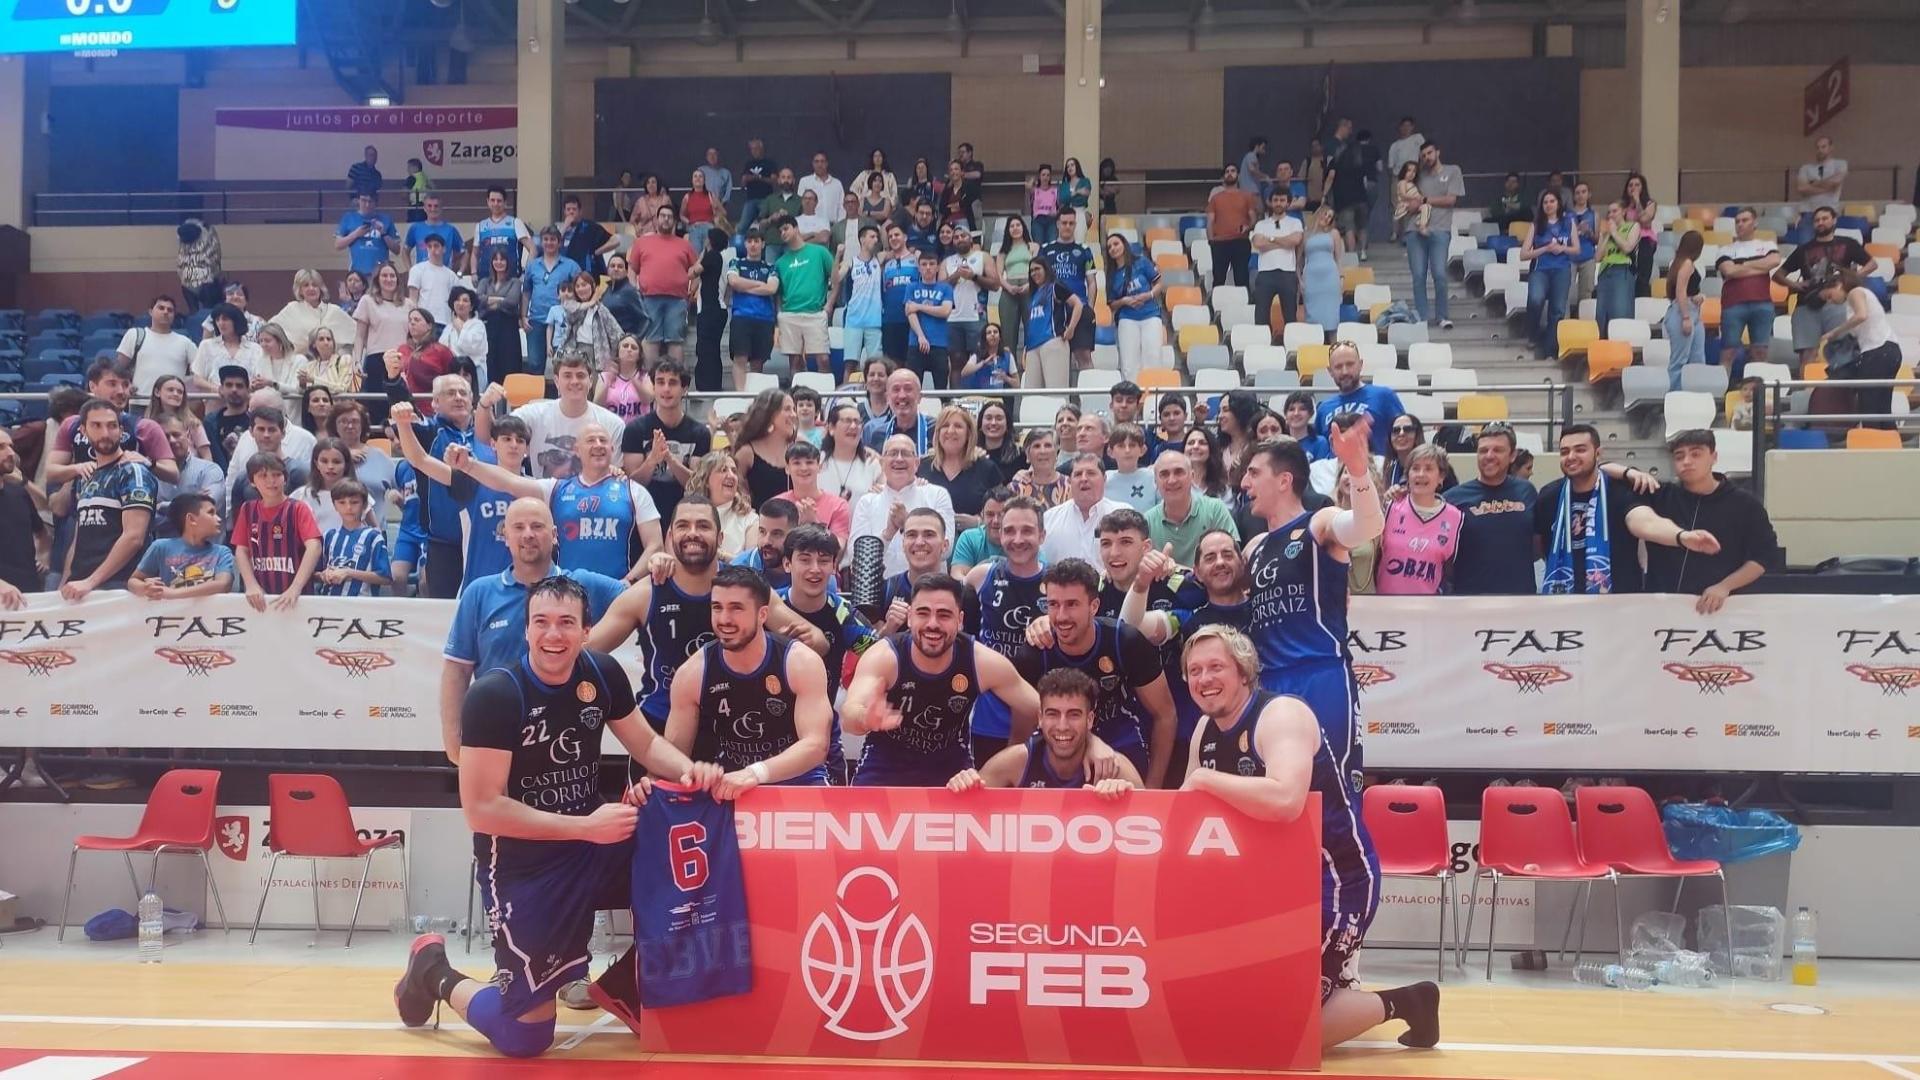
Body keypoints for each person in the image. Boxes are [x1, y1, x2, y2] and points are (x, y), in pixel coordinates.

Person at [392, 576, 723, 1059]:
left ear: (587, 630)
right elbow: (482, 810)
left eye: (567, 623)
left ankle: (624, 986)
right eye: (542, 623)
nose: (554, 634)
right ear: (525, 631)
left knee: (692, 860)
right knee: (525, 1038)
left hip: (592, 845)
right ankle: (433, 971)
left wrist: (693, 771)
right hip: (524, 863)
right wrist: (586, 827)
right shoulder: (494, 695)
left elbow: (647, 744)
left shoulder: (602, 673)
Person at [1178, 625, 1438, 1051]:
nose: (1204, 679)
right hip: (1268, 885)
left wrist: (1206, 778)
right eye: (1194, 671)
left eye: (1215, 667)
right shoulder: (1206, 730)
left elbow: (1285, 800)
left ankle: (1409, 1002)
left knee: (1284, 1034)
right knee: (1232, 1010)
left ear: (1243, 671)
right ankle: (1336, 984)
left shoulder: (1281, 714)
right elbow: (1185, 814)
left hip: (1336, 882)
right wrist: (1117, 793)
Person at [1237, 422, 1382, 774]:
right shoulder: (1253, 547)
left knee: (1334, 789)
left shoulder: (1320, 523)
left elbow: (1367, 527)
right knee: (1275, 795)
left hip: (1319, 673)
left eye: (1254, 474)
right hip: (1267, 683)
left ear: (1284, 480)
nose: (1244, 484)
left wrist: (1358, 469)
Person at [844, 574, 1039, 787]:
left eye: (944, 615)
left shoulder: (981, 661)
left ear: (960, 620)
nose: (932, 624)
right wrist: (866, 719)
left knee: (970, 802)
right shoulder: (885, 656)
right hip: (883, 766)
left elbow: (1039, 709)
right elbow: (850, 715)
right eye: (923, 613)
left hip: (952, 772)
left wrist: (1078, 740)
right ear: (910, 617)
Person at [661, 563, 832, 786]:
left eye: (736, 608)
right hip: (730, 781)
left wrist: (755, 773)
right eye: (717, 607)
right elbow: (672, 757)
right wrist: (691, 771)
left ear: (762, 614)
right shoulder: (691, 673)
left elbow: (816, 746)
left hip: (800, 780)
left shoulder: (800, 662)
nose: (724, 619)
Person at [453, 418, 661, 582]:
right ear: (576, 450)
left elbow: (655, 545)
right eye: (590, 440)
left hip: (616, 595)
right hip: (565, 596)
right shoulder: (556, 489)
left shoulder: (634, 491)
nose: (598, 445)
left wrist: (628, 582)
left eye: (603, 440)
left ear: (612, 449)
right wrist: (469, 466)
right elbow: (509, 482)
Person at [1534, 423, 1715, 596]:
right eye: (1564, 452)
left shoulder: (1619, 488)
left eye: (1580, 449)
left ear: (1598, 453)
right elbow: (1540, 546)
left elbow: (1644, 522)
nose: (1571, 456)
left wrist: (1681, 537)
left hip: (1620, 602)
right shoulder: (1549, 495)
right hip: (1562, 602)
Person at [392, 401, 528, 590]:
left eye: (520, 440)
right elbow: (420, 460)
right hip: (477, 588)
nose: (514, 445)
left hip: (523, 589)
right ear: (493, 444)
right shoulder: (472, 479)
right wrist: (403, 425)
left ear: (527, 450)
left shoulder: (535, 489)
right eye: (506, 439)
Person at [1642, 430, 1776, 612]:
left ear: (1714, 457)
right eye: (1679, 457)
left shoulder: (1745, 504)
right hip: (1662, 609)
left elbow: (1763, 557)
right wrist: (1630, 473)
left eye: (1696, 454)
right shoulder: (1660, 496)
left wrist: (1725, 586)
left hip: (1720, 611)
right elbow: (1603, 471)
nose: (1687, 462)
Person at [949, 668, 1140, 794]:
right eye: (1053, 714)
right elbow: (964, 814)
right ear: (1040, 718)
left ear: (1089, 720)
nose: (1062, 725)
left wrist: (1125, 799)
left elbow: (1155, 821)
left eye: (1073, 714)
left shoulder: (1116, 768)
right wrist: (963, 786)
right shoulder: (1015, 762)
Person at [388, 374, 479, 598]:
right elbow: (407, 413)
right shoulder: (429, 432)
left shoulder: (487, 434)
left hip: (483, 541)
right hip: (444, 543)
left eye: (463, 393)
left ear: (472, 400)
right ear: (434, 403)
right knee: (443, 611)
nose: (458, 398)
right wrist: (393, 382)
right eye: (450, 393)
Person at [58, 400, 158, 601]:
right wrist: (66, 579)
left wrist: (90, 582)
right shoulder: (87, 475)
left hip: (120, 587)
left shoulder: (133, 472)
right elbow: (80, 536)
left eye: (112, 425)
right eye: (96, 425)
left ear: (121, 431)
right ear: (83, 431)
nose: (105, 433)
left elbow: (134, 537)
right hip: (81, 586)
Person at [478, 352, 623, 480]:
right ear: (556, 381)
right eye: (567, 375)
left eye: (580, 376)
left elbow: (616, 476)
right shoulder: (533, 414)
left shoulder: (612, 424)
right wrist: (484, 405)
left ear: (591, 381)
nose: (574, 381)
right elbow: (489, 438)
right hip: (542, 503)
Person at [1774, 205, 1876, 370]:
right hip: (1807, 304)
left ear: (1834, 220)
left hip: (1838, 303)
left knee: (1843, 351)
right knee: (1807, 355)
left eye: (1824, 219)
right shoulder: (1803, 249)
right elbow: (1778, 274)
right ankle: (1807, 393)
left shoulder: (1848, 244)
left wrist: (1851, 279)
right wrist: (1795, 285)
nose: (1820, 223)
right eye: (1817, 220)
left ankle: (1842, 391)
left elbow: (1872, 264)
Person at [1441, 423, 1537, 596]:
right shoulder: (1453, 498)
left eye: (1498, 450)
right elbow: (1444, 556)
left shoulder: (1527, 491)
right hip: (1469, 601)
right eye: (1483, 450)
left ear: (1512, 455)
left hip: (1521, 600)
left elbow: (1537, 546)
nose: (1489, 456)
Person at [848, 435, 956, 577]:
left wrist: (908, 523)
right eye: (892, 453)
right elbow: (856, 558)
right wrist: (887, 534)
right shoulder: (867, 502)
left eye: (905, 454)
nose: (899, 459)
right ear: (882, 462)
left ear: (917, 463)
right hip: (879, 589)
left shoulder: (937, 495)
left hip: (928, 588)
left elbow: (945, 550)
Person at [229, 451, 323, 611]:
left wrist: (296, 587)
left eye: (276, 474)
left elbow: (314, 546)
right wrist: (251, 585)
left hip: (298, 598)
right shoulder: (247, 509)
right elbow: (241, 550)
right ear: (252, 481)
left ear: (285, 478)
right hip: (260, 596)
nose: (271, 481)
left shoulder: (298, 508)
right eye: (263, 476)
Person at [621, 359, 709, 525]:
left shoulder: (700, 433)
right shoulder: (635, 429)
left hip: (685, 513)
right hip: (643, 514)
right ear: (653, 387)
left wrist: (670, 459)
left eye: (673, 383)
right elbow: (632, 485)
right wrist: (653, 459)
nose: (666, 389)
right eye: (660, 382)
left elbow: (697, 486)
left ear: (684, 389)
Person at [1815, 268, 1906, 427]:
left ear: (1838, 284)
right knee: (1882, 408)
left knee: (1869, 406)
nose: (1830, 301)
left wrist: (1835, 332)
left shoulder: (1855, 292)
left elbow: (1861, 315)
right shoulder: (1862, 296)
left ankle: (1873, 446)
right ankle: (1889, 445)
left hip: (1877, 350)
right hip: (1889, 349)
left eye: (1829, 296)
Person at [1377, 443, 1462, 595]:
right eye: (1415, 468)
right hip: (1385, 605)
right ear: (1407, 475)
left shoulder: (1455, 517)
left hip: (1428, 610)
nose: (1421, 474)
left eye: (1429, 468)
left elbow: (1451, 571)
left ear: (1441, 477)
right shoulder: (1390, 507)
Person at [1715, 207, 1783, 375]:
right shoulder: (1725, 249)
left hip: (1762, 304)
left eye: (1744, 220)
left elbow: (1774, 261)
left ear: (1755, 223)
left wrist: (1742, 266)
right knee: (1728, 352)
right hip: (1733, 305)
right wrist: (1759, 266)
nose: (1740, 224)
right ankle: (1721, 393)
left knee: (1760, 352)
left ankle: (1758, 392)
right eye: (1737, 221)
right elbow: (1729, 271)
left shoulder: (1767, 245)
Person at [130, 492, 232, 599]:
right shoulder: (160, 547)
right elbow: (133, 581)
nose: (219, 519)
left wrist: (172, 594)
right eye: (211, 513)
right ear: (191, 519)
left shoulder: (222, 552)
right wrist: (145, 588)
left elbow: (223, 585)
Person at [1145, 449, 1239, 565]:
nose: (1172, 480)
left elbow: (1234, 554)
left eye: (1179, 472)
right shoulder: (1147, 521)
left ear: (1192, 476)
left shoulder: (1215, 509)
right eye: (1164, 474)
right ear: (1155, 481)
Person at [1406, 142, 1464, 329]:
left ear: (1438, 152)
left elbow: (1450, 200)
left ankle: (1442, 316)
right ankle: (1422, 317)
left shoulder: (1453, 170)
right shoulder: (1418, 176)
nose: (1427, 157)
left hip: (1440, 229)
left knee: (1439, 273)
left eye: (1429, 153)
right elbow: (1407, 201)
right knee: (1418, 276)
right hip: (1415, 229)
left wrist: (1423, 200)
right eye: (1423, 155)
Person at [919, 406, 1001, 532]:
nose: (950, 431)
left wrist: (979, 522)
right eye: (945, 426)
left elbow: (1003, 510)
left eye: (958, 426)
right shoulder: (921, 466)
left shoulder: (986, 468)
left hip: (975, 544)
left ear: (969, 433)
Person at [772, 214, 836, 375]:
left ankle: (825, 396)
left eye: (786, 229)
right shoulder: (780, 262)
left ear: (796, 228)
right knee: (795, 362)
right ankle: (797, 397)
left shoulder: (819, 252)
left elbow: (836, 279)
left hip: (815, 313)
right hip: (789, 314)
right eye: (780, 231)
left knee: (823, 359)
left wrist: (830, 304)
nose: (783, 233)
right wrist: (780, 313)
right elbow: (778, 292)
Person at [1314, 343, 1404, 456]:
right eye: (1338, 366)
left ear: (1360, 365)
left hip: (1376, 470)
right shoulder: (1323, 409)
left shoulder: (1384, 396)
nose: (1345, 371)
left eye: (1350, 364)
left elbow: (1404, 436)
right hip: (1337, 472)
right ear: (1330, 371)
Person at [1039, 454, 1128, 566]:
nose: (1084, 479)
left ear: (1104, 479)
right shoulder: (1050, 518)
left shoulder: (1123, 514)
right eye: (1078, 474)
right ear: (1070, 481)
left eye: (1091, 473)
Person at [1037, 212, 1098, 371]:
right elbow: (1038, 281)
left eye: (1071, 223)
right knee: (1056, 359)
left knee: (1084, 356)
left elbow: (1091, 282)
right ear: (1057, 224)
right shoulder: (1045, 250)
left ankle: (1088, 396)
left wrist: (1089, 308)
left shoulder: (1084, 250)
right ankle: (1062, 397)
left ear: (1075, 225)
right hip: (1054, 310)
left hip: (1080, 308)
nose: (1067, 227)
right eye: (1064, 223)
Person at [311, 479, 390, 597]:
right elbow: (313, 573)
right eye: (342, 502)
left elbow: (385, 577)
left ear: (364, 505)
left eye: (354, 502)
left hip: (362, 604)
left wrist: (349, 573)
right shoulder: (328, 536)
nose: (348, 507)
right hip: (329, 603)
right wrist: (323, 575)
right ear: (335, 505)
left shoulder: (373, 537)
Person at [1522, 191, 1576, 361]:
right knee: (1535, 299)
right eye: (1545, 202)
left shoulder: (1569, 222)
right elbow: (1523, 254)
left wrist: (1562, 249)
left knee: (1557, 311)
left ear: (1558, 203)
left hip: (1562, 270)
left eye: (1552, 201)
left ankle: (1550, 350)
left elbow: (1577, 249)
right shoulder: (1536, 224)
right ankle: (1533, 333)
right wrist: (1545, 248)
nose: (1549, 204)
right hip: (1541, 269)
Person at [1106, 232, 1166, 379]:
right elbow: (1112, 304)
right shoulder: (1111, 274)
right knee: (1129, 364)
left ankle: (1151, 398)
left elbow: (1159, 283)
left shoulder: (1142, 262)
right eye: (1109, 247)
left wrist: (1149, 295)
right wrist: (1125, 301)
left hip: (1150, 315)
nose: (1113, 248)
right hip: (1127, 319)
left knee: (1153, 359)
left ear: (1124, 244)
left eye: (1116, 244)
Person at [116, 295, 197, 398]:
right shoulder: (134, 335)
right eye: (161, 308)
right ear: (150, 312)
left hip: (172, 405)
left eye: (170, 310)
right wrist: (126, 385)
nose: (165, 312)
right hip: (140, 402)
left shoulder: (186, 343)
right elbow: (118, 369)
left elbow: (199, 374)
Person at [1251, 187, 1305, 337]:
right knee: (1261, 315)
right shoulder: (1261, 224)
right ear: (1270, 202)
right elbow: (1258, 243)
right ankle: (1263, 347)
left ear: (1288, 203)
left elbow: (1295, 240)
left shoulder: (1295, 222)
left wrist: (1271, 239)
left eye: (1282, 200)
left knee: (1290, 315)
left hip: (1287, 273)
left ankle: (1291, 347)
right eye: (1275, 200)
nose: (1278, 203)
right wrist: (1283, 241)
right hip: (1265, 274)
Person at [271, 269, 360, 358]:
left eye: (315, 285)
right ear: (300, 290)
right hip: (301, 366)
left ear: (320, 288)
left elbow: (358, 334)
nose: (311, 288)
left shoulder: (334, 311)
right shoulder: (292, 309)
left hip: (331, 366)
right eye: (306, 285)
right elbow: (269, 330)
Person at [732, 388, 796, 508]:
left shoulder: (799, 447)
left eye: (793, 409)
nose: (793, 415)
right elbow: (739, 496)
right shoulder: (747, 453)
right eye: (787, 409)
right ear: (770, 414)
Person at [1326, 122, 1379, 262]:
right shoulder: (1359, 163)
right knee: (1362, 226)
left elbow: (1330, 177)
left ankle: (1352, 255)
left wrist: (1325, 193)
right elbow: (1366, 182)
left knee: (1349, 227)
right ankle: (1363, 252)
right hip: (1361, 197)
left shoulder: (1336, 162)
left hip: (1344, 199)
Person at [688, 452, 757, 559]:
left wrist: (719, 555)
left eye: (734, 471)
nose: (731, 476)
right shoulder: (686, 513)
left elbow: (751, 564)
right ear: (706, 479)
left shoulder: (750, 519)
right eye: (723, 470)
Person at [1662, 230, 1708, 389]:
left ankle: (1696, 392)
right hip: (1683, 312)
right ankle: (1674, 395)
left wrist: (1696, 296)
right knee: (1680, 360)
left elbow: (1686, 290)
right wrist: (1686, 317)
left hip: (1692, 309)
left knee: (1697, 359)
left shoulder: (1679, 262)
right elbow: (1680, 291)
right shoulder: (1686, 263)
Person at [475, 249, 527, 383]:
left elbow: (513, 301)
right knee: (491, 366)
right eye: (496, 259)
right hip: (488, 328)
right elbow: (477, 300)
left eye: (502, 259)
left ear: (508, 262)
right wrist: (501, 300)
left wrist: (490, 301)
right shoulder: (484, 282)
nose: (499, 262)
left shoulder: (515, 282)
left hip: (508, 329)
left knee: (510, 366)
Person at [941, 227, 987, 375]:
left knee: (979, 360)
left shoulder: (983, 257)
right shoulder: (946, 262)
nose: (960, 239)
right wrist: (955, 276)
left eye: (963, 236)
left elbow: (995, 283)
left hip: (977, 317)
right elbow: (939, 289)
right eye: (956, 237)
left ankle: (980, 397)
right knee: (956, 362)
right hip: (952, 318)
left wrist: (973, 276)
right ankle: (956, 398)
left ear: (970, 238)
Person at [190, 302, 265, 392]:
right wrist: (219, 389)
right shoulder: (206, 345)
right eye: (218, 320)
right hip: (215, 399)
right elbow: (197, 380)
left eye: (225, 319)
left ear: (236, 321)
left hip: (248, 399)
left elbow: (260, 378)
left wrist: (244, 390)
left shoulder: (255, 349)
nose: (221, 323)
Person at [1206, 163, 1259, 289]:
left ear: (1238, 175)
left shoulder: (1247, 196)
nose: (1230, 173)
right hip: (1219, 244)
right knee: (1218, 279)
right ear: (1223, 176)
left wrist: (1249, 226)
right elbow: (1210, 221)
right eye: (1227, 171)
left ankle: (1244, 308)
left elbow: (1253, 218)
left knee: (1242, 279)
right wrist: (1211, 241)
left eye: (1233, 171)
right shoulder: (1216, 198)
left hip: (1240, 242)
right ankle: (1215, 307)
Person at [859, 367, 934, 454]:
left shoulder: (936, 429)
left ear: (920, 397)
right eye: (896, 389)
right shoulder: (877, 433)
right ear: (887, 398)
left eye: (908, 389)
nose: (902, 396)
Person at [354, 263, 412, 372]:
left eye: (392, 276)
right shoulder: (367, 301)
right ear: (377, 280)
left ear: (397, 280)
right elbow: (359, 336)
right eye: (384, 275)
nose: (389, 279)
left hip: (402, 359)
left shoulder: (409, 304)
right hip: (376, 359)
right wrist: (357, 361)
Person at [290, 436, 353, 532]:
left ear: (346, 464)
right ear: (316, 464)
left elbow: (375, 530)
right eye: (324, 461)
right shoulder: (301, 495)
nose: (330, 466)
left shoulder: (357, 494)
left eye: (336, 462)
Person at [1299, 205, 1345, 334]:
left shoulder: (1333, 233)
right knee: (1313, 320)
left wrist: (1341, 278)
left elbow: (1339, 258)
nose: (1327, 218)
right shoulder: (1306, 234)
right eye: (1325, 214)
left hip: (1330, 278)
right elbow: (1298, 261)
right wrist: (1299, 279)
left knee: (1331, 319)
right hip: (1311, 279)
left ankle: (1333, 348)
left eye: (1330, 217)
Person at [950, 486, 1012, 578]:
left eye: (1002, 515)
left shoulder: (1022, 540)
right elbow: (956, 575)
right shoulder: (969, 538)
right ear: (982, 515)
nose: (996, 521)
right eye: (990, 514)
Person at [335, 192, 399, 277]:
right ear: (358, 200)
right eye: (364, 200)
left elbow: (397, 250)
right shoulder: (348, 217)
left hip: (380, 274)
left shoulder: (386, 219)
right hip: (357, 273)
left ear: (376, 203)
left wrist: (383, 233)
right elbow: (338, 245)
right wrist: (355, 234)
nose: (367, 205)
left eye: (370, 201)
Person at [557, 193, 617, 278]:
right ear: (564, 212)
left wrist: (597, 252)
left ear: (580, 211)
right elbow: (554, 244)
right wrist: (565, 227)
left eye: (574, 209)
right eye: (568, 209)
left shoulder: (590, 226)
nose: (571, 212)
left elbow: (616, 240)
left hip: (586, 273)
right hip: (564, 273)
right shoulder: (560, 230)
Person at [408, 233, 461, 327]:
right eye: (429, 246)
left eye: (436, 246)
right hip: (424, 322)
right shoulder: (417, 270)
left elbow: (455, 305)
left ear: (444, 249)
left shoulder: (452, 276)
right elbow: (413, 301)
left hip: (446, 323)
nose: (433, 249)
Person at [1621, 173, 1659, 299]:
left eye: (1637, 185)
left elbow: (1644, 220)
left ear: (1643, 187)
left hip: (1645, 241)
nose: (1633, 188)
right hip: (1628, 242)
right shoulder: (1623, 207)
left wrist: (1637, 201)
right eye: (1630, 185)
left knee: (1642, 277)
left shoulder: (1650, 203)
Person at [1796, 135, 1848, 226]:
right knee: (1807, 240)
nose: (1820, 150)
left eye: (1823, 147)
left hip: (1829, 212)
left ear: (1831, 148)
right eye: (1817, 147)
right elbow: (1802, 188)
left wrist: (1813, 183)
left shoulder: (1840, 164)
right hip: (1808, 212)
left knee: (1829, 239)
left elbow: (1835, 182)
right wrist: (1826, 188)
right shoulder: (1805, 168)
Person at [1104, 425, 1155, 512]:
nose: (1127, 450)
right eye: (1121, 446)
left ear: (1142, 450)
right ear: (1110, 452)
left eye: (1132, 445)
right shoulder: (1104, 479)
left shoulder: (1153, 477)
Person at [404, 194, 464, 266]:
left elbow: (463, 253)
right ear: (424, 208)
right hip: (422, 275)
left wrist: (459, 272)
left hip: (443, 274)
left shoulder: (450, 230)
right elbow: (405, 251)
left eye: (436, 206)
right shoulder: (415, 228)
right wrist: (411, 271)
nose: (433, 209)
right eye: (429, 206)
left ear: (441, 208)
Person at [298, 326, 358, 395]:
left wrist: (314, 380)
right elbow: (303, 393)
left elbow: (343, 388)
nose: (326, 342)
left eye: (329, 339)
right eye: (321, 339)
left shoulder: (345, 359)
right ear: (314, 344)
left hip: (338, 405)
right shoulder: (310, 366)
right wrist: (302, 385)